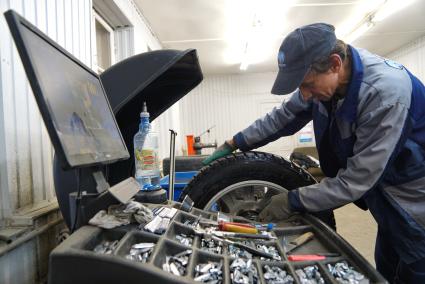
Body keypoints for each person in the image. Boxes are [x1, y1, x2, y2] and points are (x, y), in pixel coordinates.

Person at [203, 23, 425, 283]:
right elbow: (284, 116)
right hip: (382, 196)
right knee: (384, 269)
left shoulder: (385, 94)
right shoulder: (324, 83)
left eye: (308, 84)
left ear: (334, 64)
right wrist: (235, 142)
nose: (305, 95)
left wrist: (291, 200)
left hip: (413, 203)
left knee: (415, 271)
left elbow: (356, 181)